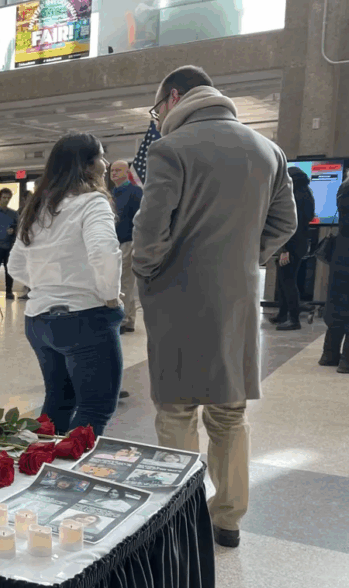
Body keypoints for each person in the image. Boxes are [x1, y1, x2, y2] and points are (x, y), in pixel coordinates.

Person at [131, 66, 297, 549]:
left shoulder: (171, 149)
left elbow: (149, 231)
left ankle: (180, 517)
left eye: (156, 107)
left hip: (178, 300)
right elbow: (285, 222)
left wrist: (150, 272)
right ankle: (228, 518)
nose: (158, 117)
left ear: (175, 96)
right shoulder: (269, 150)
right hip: (238, 301)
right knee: (229, 413)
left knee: (177, 411)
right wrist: (246, 260)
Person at [9, 133, 124, 438]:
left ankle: (40, 469)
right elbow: (105, 252)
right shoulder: (93, 202)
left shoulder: (38, 206)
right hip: (85, 319)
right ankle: (66, 480)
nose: (105, 162)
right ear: (86, 165)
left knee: (58, 402)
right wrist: (110, 296)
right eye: (101, 155)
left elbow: (15, 265)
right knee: (95, 409)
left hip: (38, 322)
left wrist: (47, 287)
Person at [269, 166, 316, 330]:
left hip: (291, 243)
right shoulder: (307, 194)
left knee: (287, 281)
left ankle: (293, 319)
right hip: (300, 242)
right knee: (286, 280)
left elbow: (290, 225)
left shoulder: (294, 196)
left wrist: (285, 249)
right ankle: (283, 315)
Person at [315, 179, 349, 372]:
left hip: (341, 251)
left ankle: (329, 355)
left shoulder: (343, 189)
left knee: (337, 301)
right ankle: (347, 362)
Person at [110, 160, 144, 332]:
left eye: (118, 170)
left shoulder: (135, 192)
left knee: (125, 283)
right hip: (113, 243)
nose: (114, 173)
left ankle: (124, 320)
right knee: (120, 282)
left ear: (126, 173)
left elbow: (141, 218)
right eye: (112, 170)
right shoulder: (111, 193)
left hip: (128, 242)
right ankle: (128, 319)